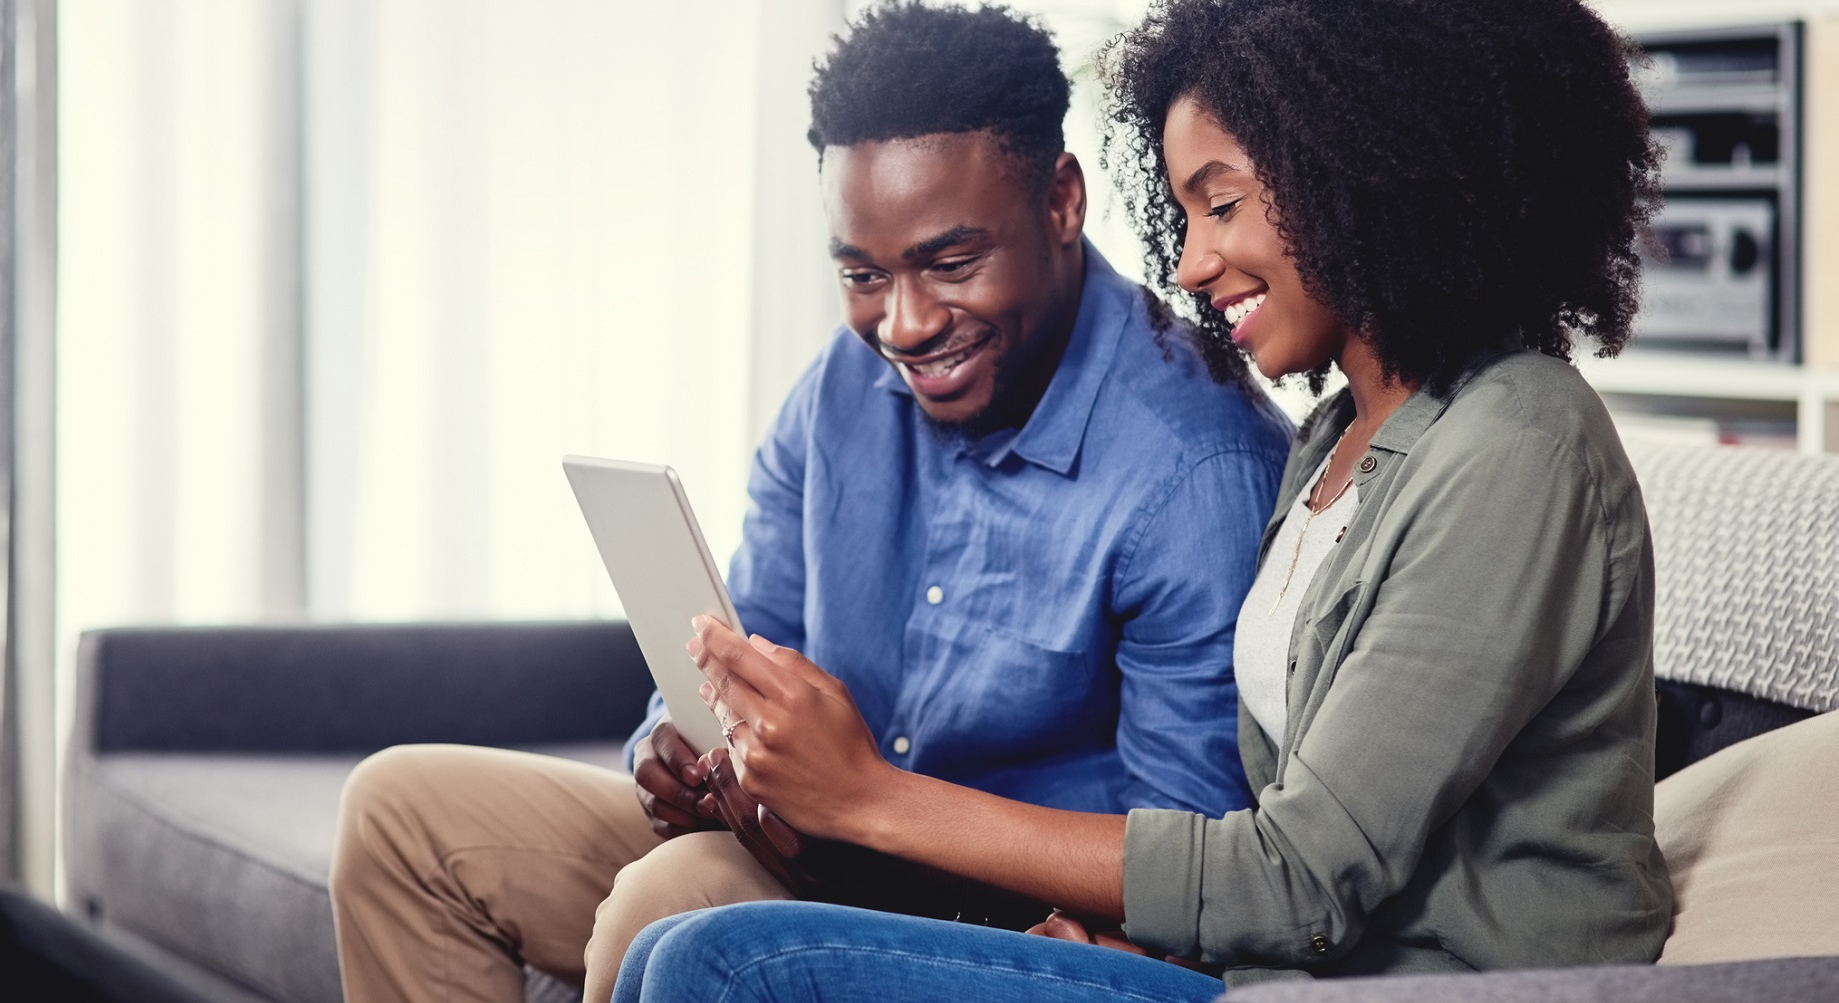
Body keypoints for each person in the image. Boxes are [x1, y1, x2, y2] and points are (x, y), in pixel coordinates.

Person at [611, 0, 1672, 999]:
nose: (1192, 260)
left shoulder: (1519, 446)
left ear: (1369, 168)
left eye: (1221, 205)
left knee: (716, 959)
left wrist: (869, 797)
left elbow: (1300, 872)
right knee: (671, 937)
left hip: (1433, 982)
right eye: (1182, 212)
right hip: (1264, 968)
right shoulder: (1336, 439)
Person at [327, 4, 1293, 1002]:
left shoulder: (1194, 463)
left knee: (677, 903)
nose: (906, 324)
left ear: (1060, 202)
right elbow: (754, 635)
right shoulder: (842, 388)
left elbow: (1194, 861)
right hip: (813, 843)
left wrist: (869, 803)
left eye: (951, 262)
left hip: (1005, 918)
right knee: (402, 813)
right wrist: (681, 750)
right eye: (864, 275)